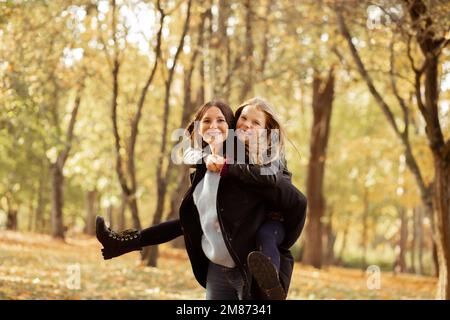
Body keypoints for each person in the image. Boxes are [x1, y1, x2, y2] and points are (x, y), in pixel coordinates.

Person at [96, 100, 307, 300]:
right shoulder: (204, 168)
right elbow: (190, 222)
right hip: (216, 269)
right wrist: (128, 243)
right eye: (206, 121)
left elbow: (298, 202)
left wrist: (284, 241)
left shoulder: (254, 171)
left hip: (247, 271)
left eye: (220, 120)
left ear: (230, 127)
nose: (213, 126)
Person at [184, 97, 303, 299]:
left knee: (266, 236)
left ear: (266, 130)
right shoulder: (232, 149)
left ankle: (272, 285)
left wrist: (227, 167)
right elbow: (190, 152)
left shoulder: (271, 152)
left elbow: (274, 181)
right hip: (230, 254)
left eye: (256, 122)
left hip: (275, 221)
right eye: (244, 118)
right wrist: (205, 158)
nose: (247, 124)